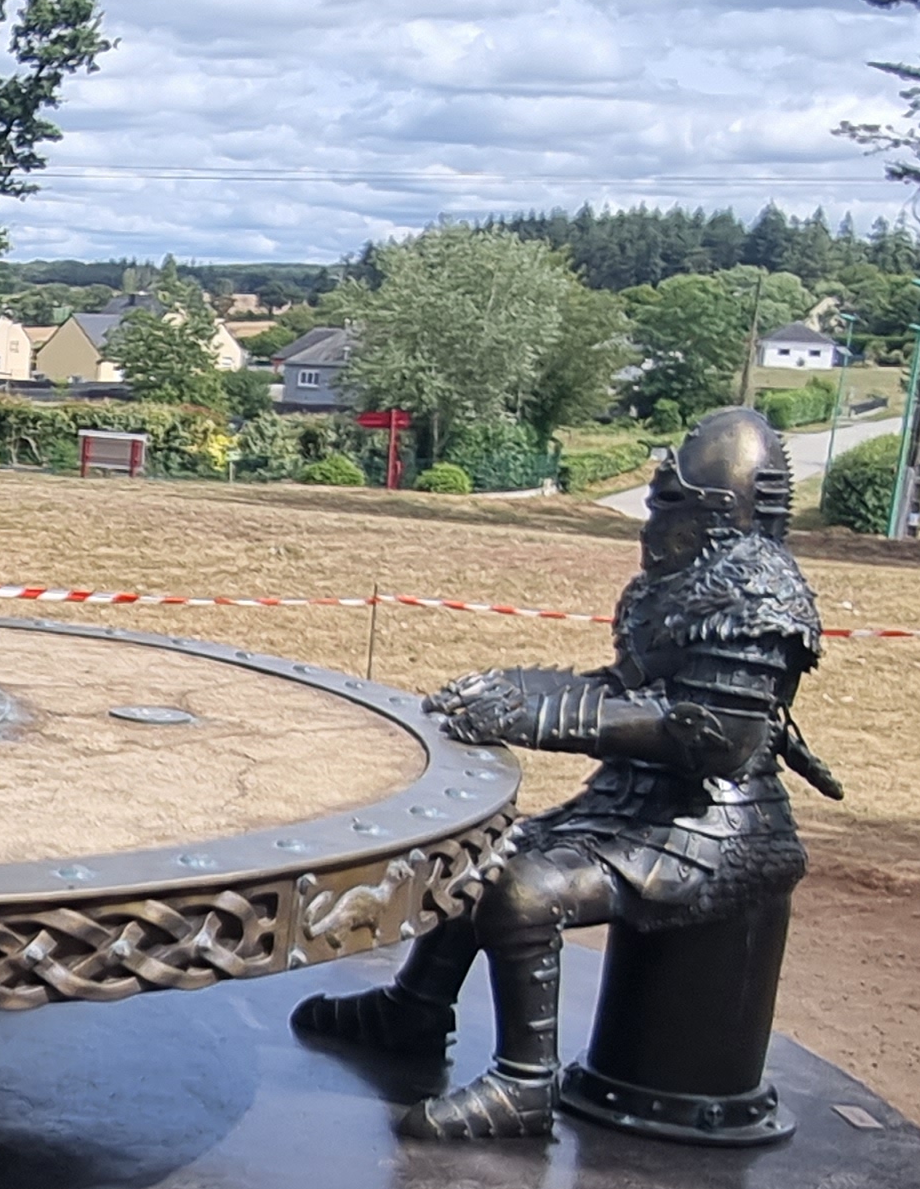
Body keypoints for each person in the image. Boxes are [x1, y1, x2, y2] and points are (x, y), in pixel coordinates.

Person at [296, 405, 834, 1139]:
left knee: (524, 892)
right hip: (638, 805)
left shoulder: (758, 589)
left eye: (670, 504)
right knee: (483, 852)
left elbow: (717, 736)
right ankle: (414, 1009)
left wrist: (546, 718)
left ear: (717, 510)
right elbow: (632, 692)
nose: (654, 521)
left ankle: (525, 1084)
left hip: (717, 823)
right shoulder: (675, 582)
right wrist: (517, 692)